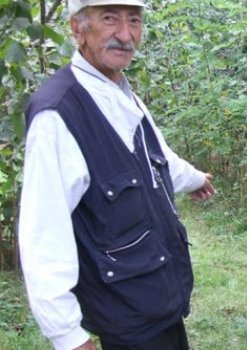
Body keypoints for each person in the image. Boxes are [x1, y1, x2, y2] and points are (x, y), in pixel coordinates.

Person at [19, 1, 216, 349]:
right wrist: (67, 335)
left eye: (134, 21)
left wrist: (195, 178)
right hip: (124, 313)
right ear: (77, 28)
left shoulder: (119, 90)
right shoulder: (58, 115)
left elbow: (156, 157)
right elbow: (43, 231)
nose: (125, 35)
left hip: (157, 298)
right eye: (109, 19)